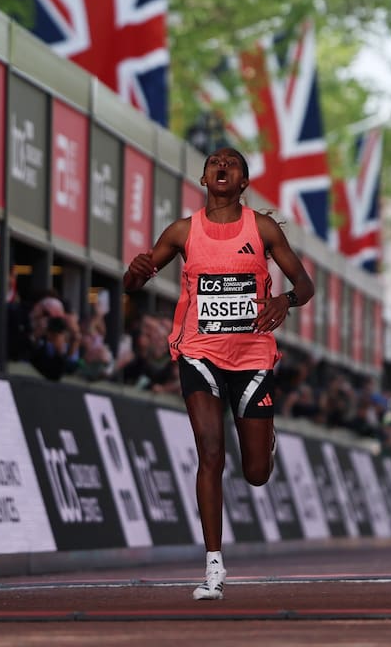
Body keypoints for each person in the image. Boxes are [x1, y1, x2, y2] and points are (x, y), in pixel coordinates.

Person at [123, 147, 314, 601]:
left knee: (256, 473)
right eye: (214, 162)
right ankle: (213, 565)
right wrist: (134, 274)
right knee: (210, 452)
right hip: (199, 352)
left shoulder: (261, 228)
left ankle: (266, 440)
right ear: (204, 179)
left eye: (231, 163)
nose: (221, 166)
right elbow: (134, 282)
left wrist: (283, 301)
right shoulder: (182, 231)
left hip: (252, 356)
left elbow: (305, 285)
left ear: (243, 182)